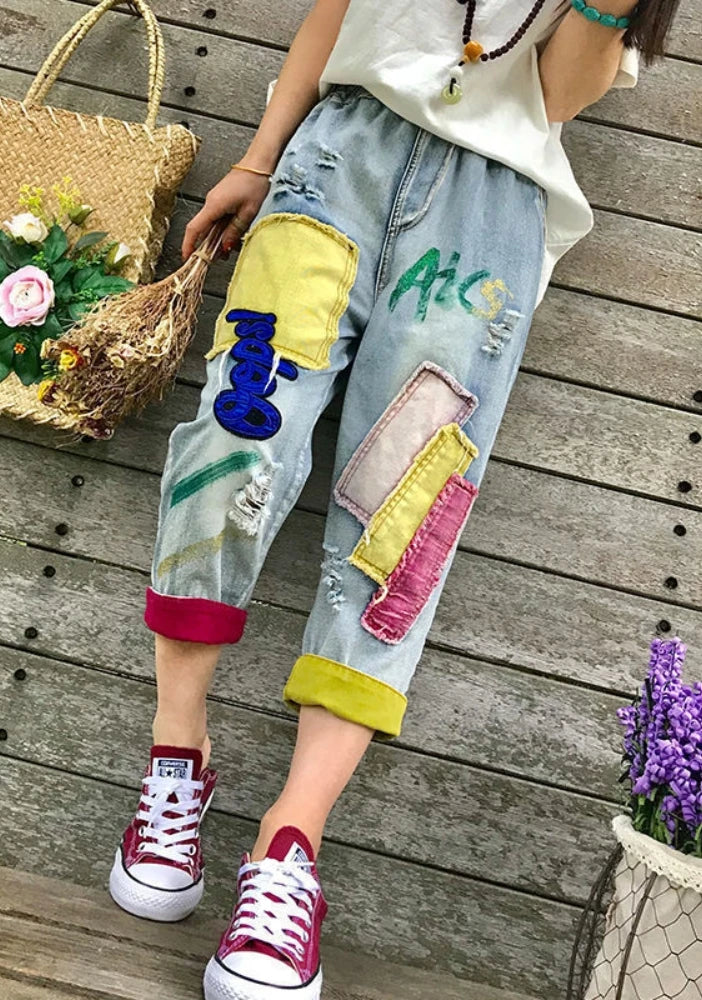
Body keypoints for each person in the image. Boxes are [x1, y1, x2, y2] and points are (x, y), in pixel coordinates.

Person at [108, 1, 679, 998]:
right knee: (236, 438)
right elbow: (335, 12)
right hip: (336, 160)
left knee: (405, 517)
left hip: (488, 214)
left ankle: (289, 848)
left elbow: (555, 94)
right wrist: (260, 158)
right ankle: (176, 755)